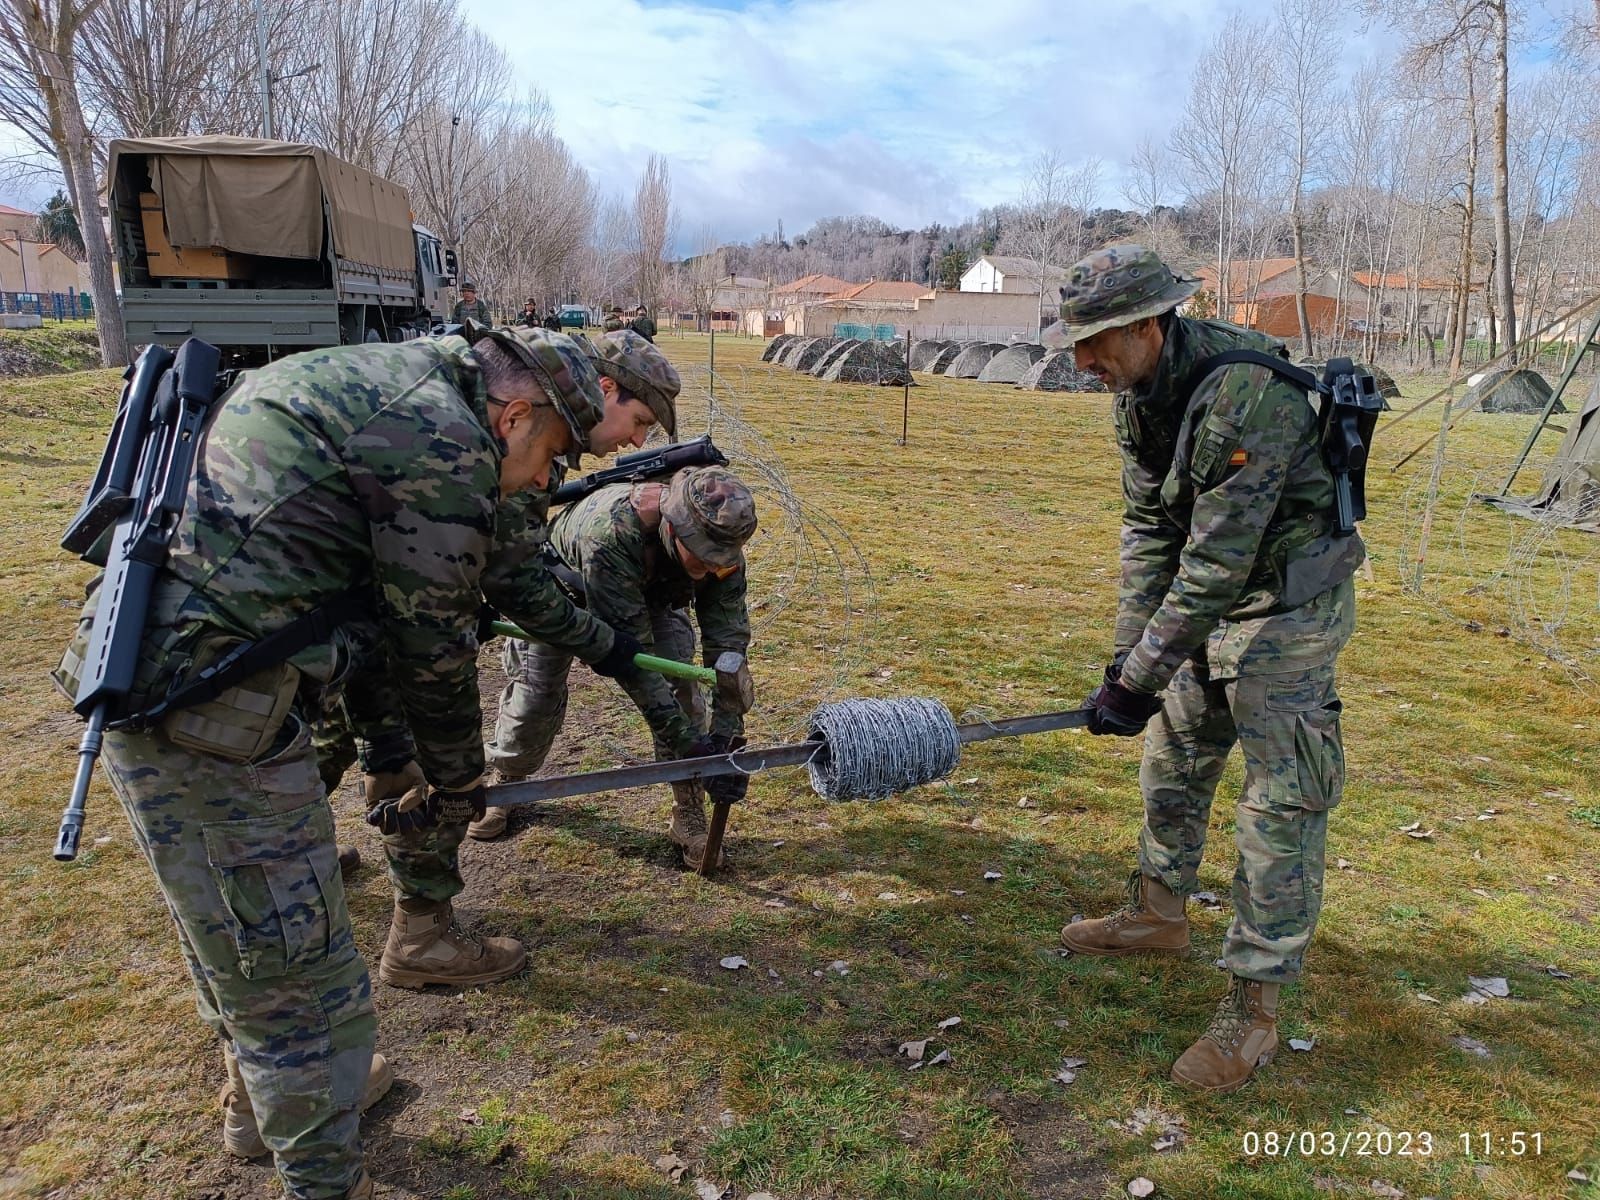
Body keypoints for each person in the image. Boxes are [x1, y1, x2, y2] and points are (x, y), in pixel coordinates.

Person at [54, 326, 642, 1200]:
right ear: (515, 414)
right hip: (215, 715)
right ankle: (325, 1180)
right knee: (303, 975)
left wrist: (391, 753)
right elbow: (431, 646)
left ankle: (263, 1113)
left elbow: (358, 605)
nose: (540, 483)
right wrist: (453, 778)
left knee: (237, 937)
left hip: (149, 678)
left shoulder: (375, 383)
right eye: (549, 455)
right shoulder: (440, 439)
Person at [1048, 244, 1363, 1094]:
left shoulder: (1243, 397)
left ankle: (1253, 1012)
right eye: (1075, 341)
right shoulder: (1139, 393)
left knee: (1279, 806)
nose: (1081, 362)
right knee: (1175, 755)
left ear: (1150, 324)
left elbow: (1214, 567)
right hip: (1214, 605)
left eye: (1097, 341)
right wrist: (1128, 663)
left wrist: (1140, 675)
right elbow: (1150, 528)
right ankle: (1156, 914)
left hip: (1288, 610)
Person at [480, 465, 756, 869]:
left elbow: (728, 646)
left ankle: (688, 809)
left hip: (651, 598)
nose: (709, 568)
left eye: (720, 560)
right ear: (672, 530)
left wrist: (724, 740)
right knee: (535, 699)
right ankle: (508, 778)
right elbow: (636, 669)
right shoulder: (611, 533)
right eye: (700, 556)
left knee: (683, 692)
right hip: (563, 599)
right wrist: (691, 746)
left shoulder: (722, 551)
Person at [469, 329, 684, 840]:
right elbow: (513, 577)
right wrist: (604, 643)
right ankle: (504, 782)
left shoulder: (553, 432)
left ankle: (688, 798)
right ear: (605, 389)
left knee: (677, 684)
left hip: (622, 581)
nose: (636, 441)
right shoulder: (529, 431)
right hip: (558, 581)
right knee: (534, 695)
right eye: (639, 422)